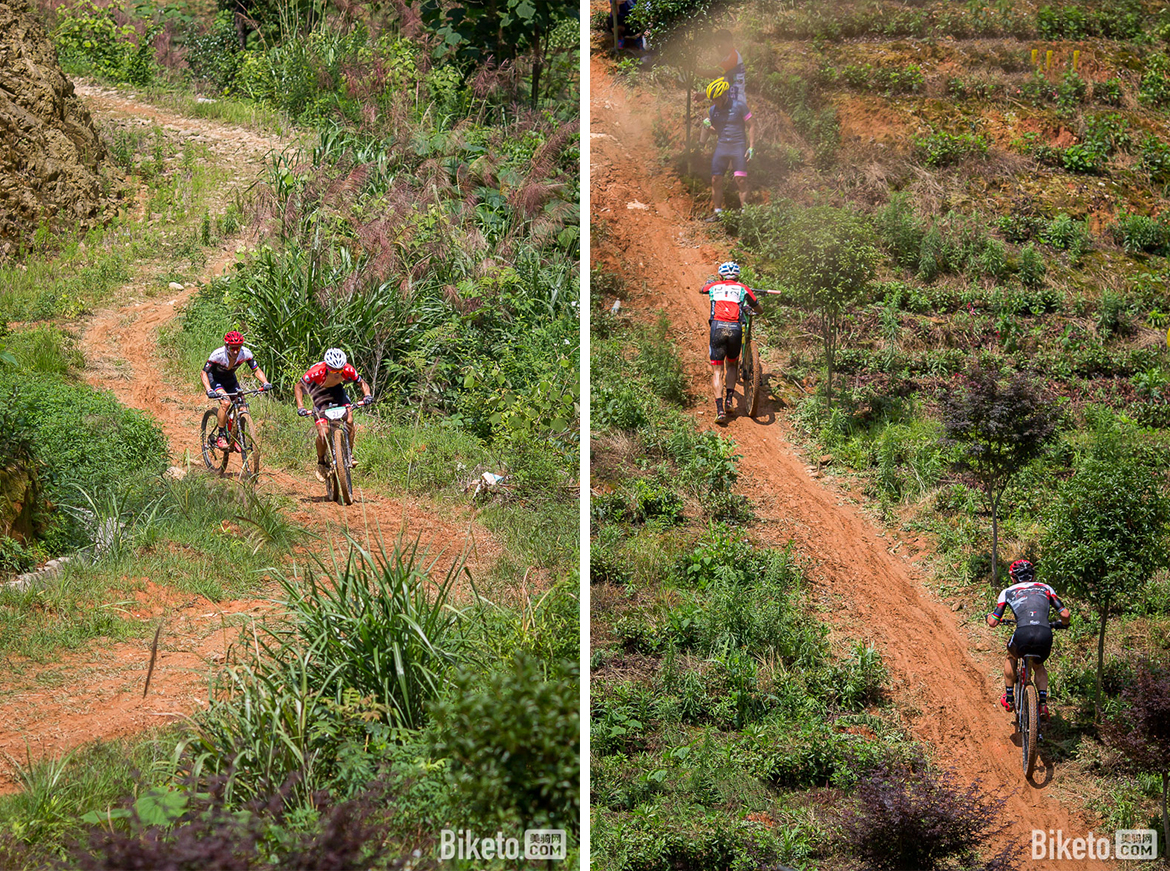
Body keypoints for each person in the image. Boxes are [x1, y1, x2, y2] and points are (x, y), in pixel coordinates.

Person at [985, 559, 1071, 720]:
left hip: (1023, 633)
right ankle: (1043, 705)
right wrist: (1063, 624)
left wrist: (989, 616)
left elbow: (993, 622)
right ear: (1033, 576)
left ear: (1013, 578)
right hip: (1045, 633)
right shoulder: (1045, 588)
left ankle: (1009, 698)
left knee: (1011, 655)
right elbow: (1065, 614)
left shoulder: (1008, 592)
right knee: (1039, 666)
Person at [294, 348, 373, 483]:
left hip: (337, 392)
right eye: (333, 370)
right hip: (319, 394)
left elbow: (362, 383)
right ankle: (321, 463)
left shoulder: (348, 369)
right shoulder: (316, 371)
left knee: (349, 418)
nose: (337, 373)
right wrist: (300, 407)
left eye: (340, 370)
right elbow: (298, 386)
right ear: (327, 367)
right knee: (323, 433)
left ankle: (348, 453)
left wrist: (367, 395)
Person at [699, 261, 762, 423]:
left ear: (721, 276)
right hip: (735, 328)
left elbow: (702, 289)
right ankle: (729, 400)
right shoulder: (743, 288)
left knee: (717, 371)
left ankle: (720, 410)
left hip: (717, 327)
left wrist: (710, 283)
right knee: (732, 365)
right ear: (738, 276)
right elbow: (758, 308)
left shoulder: (714, 286)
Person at [201, 330, 272, 450]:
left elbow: (256, 370)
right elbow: (204, 373)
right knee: (226, 402)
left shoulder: (245, 353)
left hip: (230, 380)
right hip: (215, 380)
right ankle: (221, 435)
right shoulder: (218, 355)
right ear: (226, 346)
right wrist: (209, 389)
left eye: (238, 348)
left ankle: (238, 435)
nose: (235, 351)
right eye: (232, 348)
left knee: (242, 406)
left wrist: (265, 382)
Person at [698, 78, 756, 222]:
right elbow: (714, 131)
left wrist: (752, 147)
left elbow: (752, 125)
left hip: (738, 146)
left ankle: (745, 213)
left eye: (716, 99)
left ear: (724, 95)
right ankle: (718, 213)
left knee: (740, 180)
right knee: (715, 179)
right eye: (712, 100)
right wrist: (707, 126)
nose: (714, 102)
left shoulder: (739, 106)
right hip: (722, 146)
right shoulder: (712, 110)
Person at [713, 29, 746, 104]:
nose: (719, 47)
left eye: (721, 44)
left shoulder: (733, 57)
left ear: (730, 42)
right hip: (729, 102)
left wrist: (694, 69)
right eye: (717, 45)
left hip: (736, 102)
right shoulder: (726, 58)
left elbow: (714, 73)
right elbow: (720, 83)